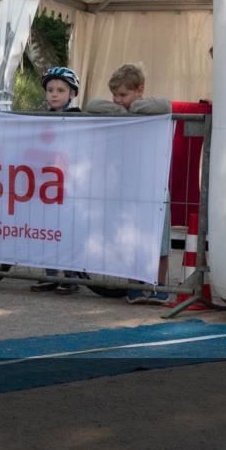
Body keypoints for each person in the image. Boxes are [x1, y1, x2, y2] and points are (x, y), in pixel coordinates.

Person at [85, 64, 173, 303]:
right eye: (115, 95)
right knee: (133, 235)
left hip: (154, 182)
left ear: (139, 90)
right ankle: (134, 285)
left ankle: (159, 284)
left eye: (123, 95)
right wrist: (121, 110)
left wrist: (134, 107)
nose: (118, 99)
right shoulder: (115, 108)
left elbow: (166, 105)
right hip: (129, 183)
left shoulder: (149, 107)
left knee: (160, 239)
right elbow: (92, 105)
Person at [29, 66, 87, 295]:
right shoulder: (38, 119)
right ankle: (49, 274)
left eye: (60, 90)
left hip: (68, 185)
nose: (54, 94)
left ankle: (71, 277)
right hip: (44, 185)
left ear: (72, 94)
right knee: (45, 229)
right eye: (50, 89)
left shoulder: (77, 118)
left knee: (66, 231)